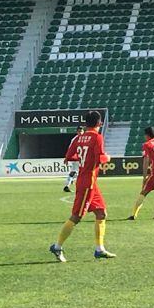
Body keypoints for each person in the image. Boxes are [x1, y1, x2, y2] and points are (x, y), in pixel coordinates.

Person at [49, 111, 115, 262]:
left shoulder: (79, 138)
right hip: (87, 183)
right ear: (99, 123)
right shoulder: (97, 137)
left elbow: (69, 157)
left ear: (86, 124)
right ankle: (57, 246)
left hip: (88, 181)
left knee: (101, 213)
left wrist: (83, 157)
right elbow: (101, 158)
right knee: (77, 216)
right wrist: (108, 157)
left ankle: (100, 249)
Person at [63, 126, 85, 192]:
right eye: (79, 131)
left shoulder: (85, 138)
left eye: (81, 131)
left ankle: (70, 183)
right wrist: (67, 158)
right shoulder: (74, 139)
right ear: (77, 132)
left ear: (83, 131)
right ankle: (68, 185)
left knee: (77, 172)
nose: (80, 133)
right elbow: (70, 149)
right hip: (76, 158)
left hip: (83, 158)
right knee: (76, 172)